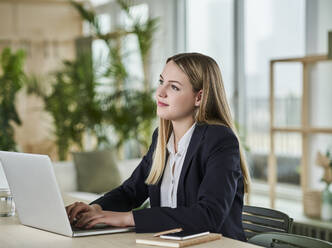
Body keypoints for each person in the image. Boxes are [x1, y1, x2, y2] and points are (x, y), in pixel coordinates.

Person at [66, 52, 251, 241]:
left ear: (199, 97)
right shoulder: (162, 138)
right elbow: (131, 191)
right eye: (161, 82)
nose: (160, 93)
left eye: (174, 87)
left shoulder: (219, 139)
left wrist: (126, 219)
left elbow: (208, 216)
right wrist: (96, 208)